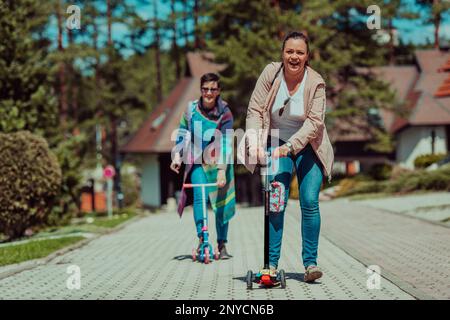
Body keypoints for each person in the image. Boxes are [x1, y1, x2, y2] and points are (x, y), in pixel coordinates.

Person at [242, 31, 334, 282]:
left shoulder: (316, 82)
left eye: (300, 52)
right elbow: (255, 109)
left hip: (308, 146)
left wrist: (291, 146)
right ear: (283, 53)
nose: (294, 56)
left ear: (307, 56)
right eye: (290, 51)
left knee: (309, 201)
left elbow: (315, 123)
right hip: (275, 142)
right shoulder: (271, 74)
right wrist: (255, 141)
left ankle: (310, 264)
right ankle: (270, 265)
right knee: (276, 201)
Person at [170, 73, 235, 260]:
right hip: (196, 161)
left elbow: (226, 142)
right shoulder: (191, 110)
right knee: (200, 197)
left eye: (213, 89)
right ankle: (203, 238)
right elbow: (182, 135)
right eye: (205, 89)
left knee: (221, 203)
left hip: (218, 162)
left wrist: (222, 170)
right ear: (201, 90)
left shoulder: (225, 113)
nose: (208, 93)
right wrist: (177, 156)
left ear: (218, 91)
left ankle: (222, 244)